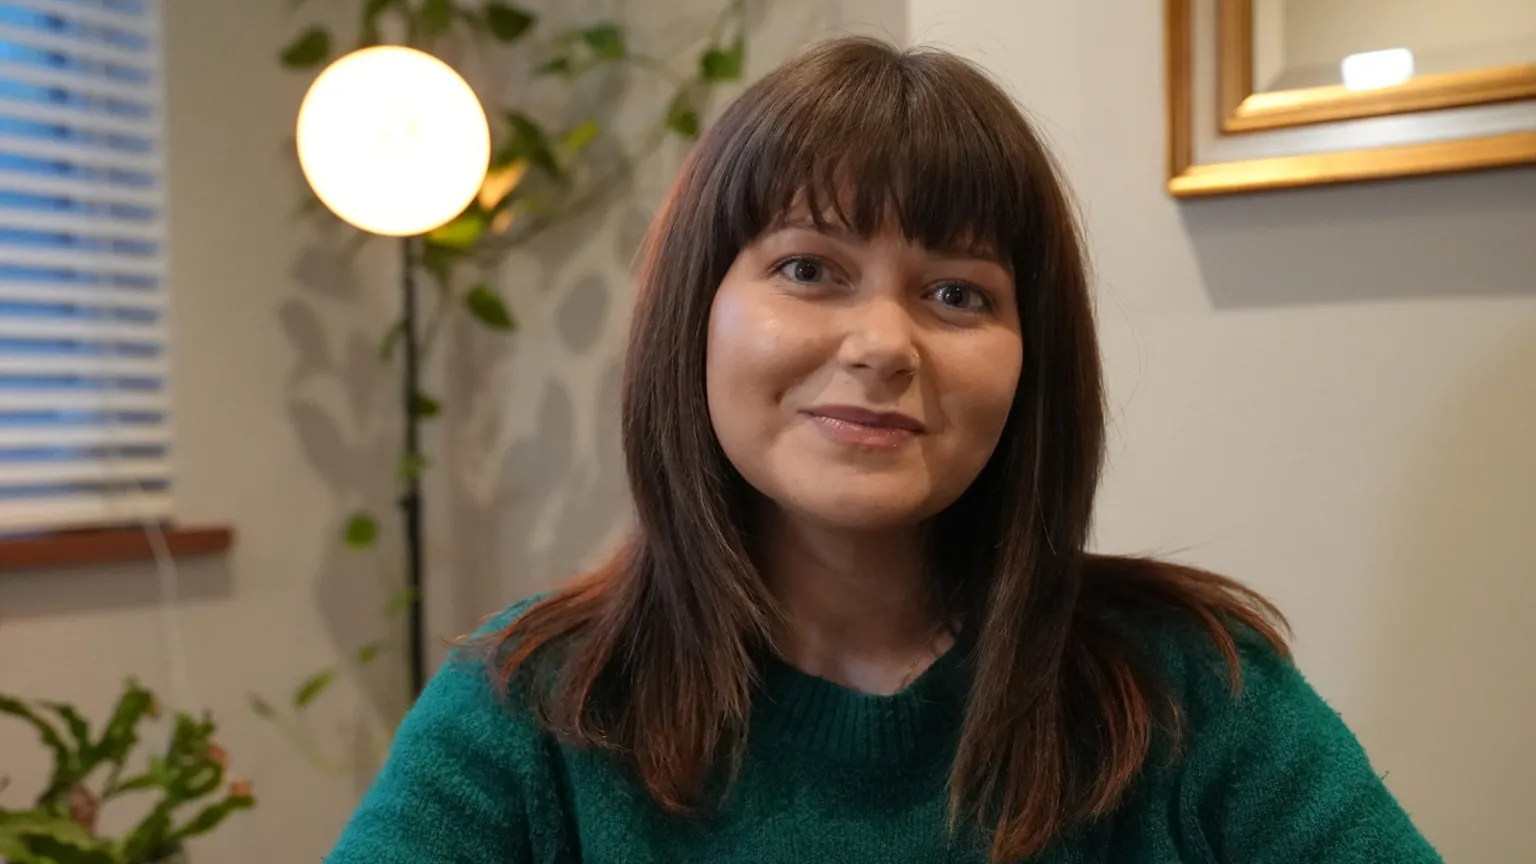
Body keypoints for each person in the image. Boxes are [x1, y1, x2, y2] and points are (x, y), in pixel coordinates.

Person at [326, 37, 1441, 863]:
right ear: (694, 313)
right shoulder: (530, 706)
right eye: (809, 268)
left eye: (958, 293)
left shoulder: (1188, 689)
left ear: (1029, 361)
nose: (883, 346)